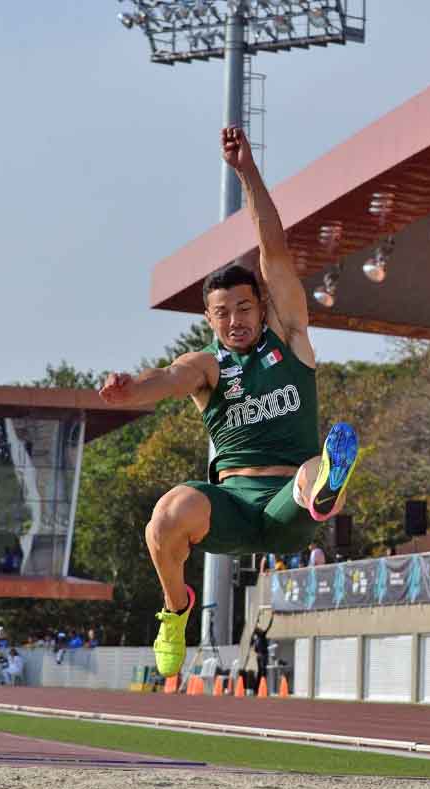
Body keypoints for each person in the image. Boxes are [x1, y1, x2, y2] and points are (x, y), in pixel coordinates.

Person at [97, 127, 359, 678]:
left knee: (316, 467)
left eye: (245, 308)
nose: (236, 320)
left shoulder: (290, 338)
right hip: (234, 507)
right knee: (167, 514)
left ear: (262, 306)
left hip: (289, 504)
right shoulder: (207, 366)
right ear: (210, 319)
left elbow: (275, 249)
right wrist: (130, 390)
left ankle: (328, 485)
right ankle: (175, 610)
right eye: (224, 313)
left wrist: (247, 173)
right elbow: (165, 379)